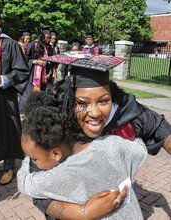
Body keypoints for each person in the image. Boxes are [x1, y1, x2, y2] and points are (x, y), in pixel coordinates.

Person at [17, 89, 147, 220]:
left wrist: (26, 160)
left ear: (56, 154)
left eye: (34, 159)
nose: (33, 163)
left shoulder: (58, 175)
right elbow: (140, 149)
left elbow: (23, 182)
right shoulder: (112, 143)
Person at [0, 6, 30, 185]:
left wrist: (3, 79)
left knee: (8, 129)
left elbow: (22, 71)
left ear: (0, 21)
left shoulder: (10, 44)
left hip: (4, 97)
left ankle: (9, 167)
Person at [18, 28, 52, 113]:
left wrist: (49, 70)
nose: (48, 40)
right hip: (32, 73)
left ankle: (38, 109)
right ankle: (24, 110)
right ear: (42, 37)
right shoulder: (32, 45)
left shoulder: (48, 47)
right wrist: (37, 61)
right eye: (47, 38)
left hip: (43, 74)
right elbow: (24, 60)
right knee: (29, 91)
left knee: (43, 90)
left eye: (49, 38)